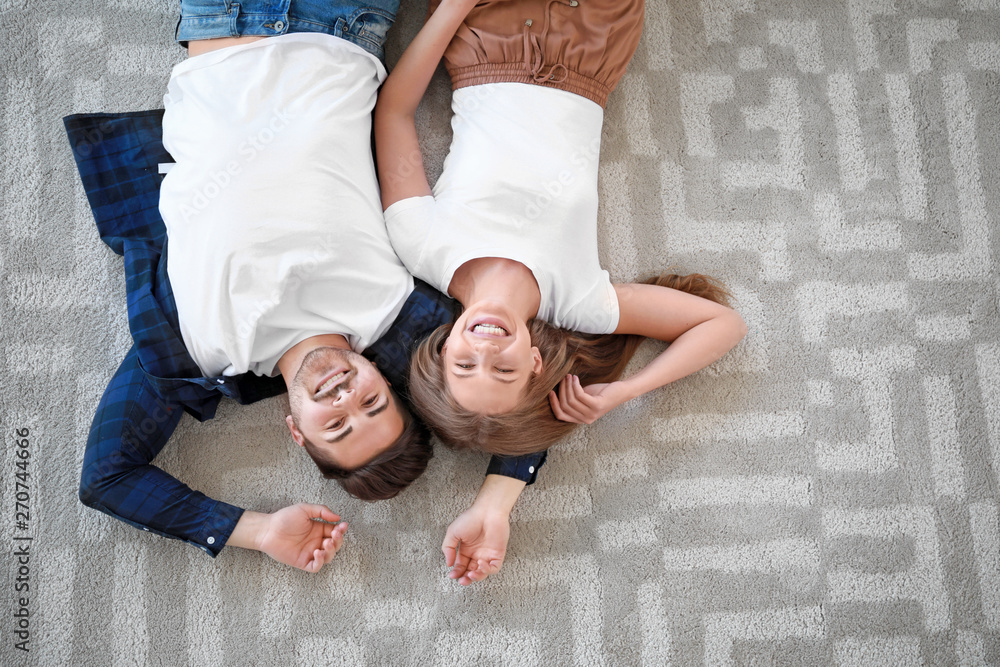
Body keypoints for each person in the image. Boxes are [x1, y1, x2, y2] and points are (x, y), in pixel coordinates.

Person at [72, 0, 545, 575]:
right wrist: (495, 506)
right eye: (372, 402)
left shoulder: (197, 348)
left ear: (296, 432)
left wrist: (260, 530)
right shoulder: (388, 317)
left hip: (224, 21)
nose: (345, 397)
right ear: (388, 376)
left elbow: (107, 476)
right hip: (340, 23)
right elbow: (522, 404)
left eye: (337, 426)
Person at [373, 0, 748, 584]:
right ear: (535, 360)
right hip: (590, 48)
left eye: (466, 364)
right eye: (503, 372)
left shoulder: (421, 245)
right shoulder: (580, 302)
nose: (487, 351)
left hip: (484, 39)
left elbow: (394, 113)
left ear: (444, 347)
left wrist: (451, 9)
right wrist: (624, 392)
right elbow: (724, 326)